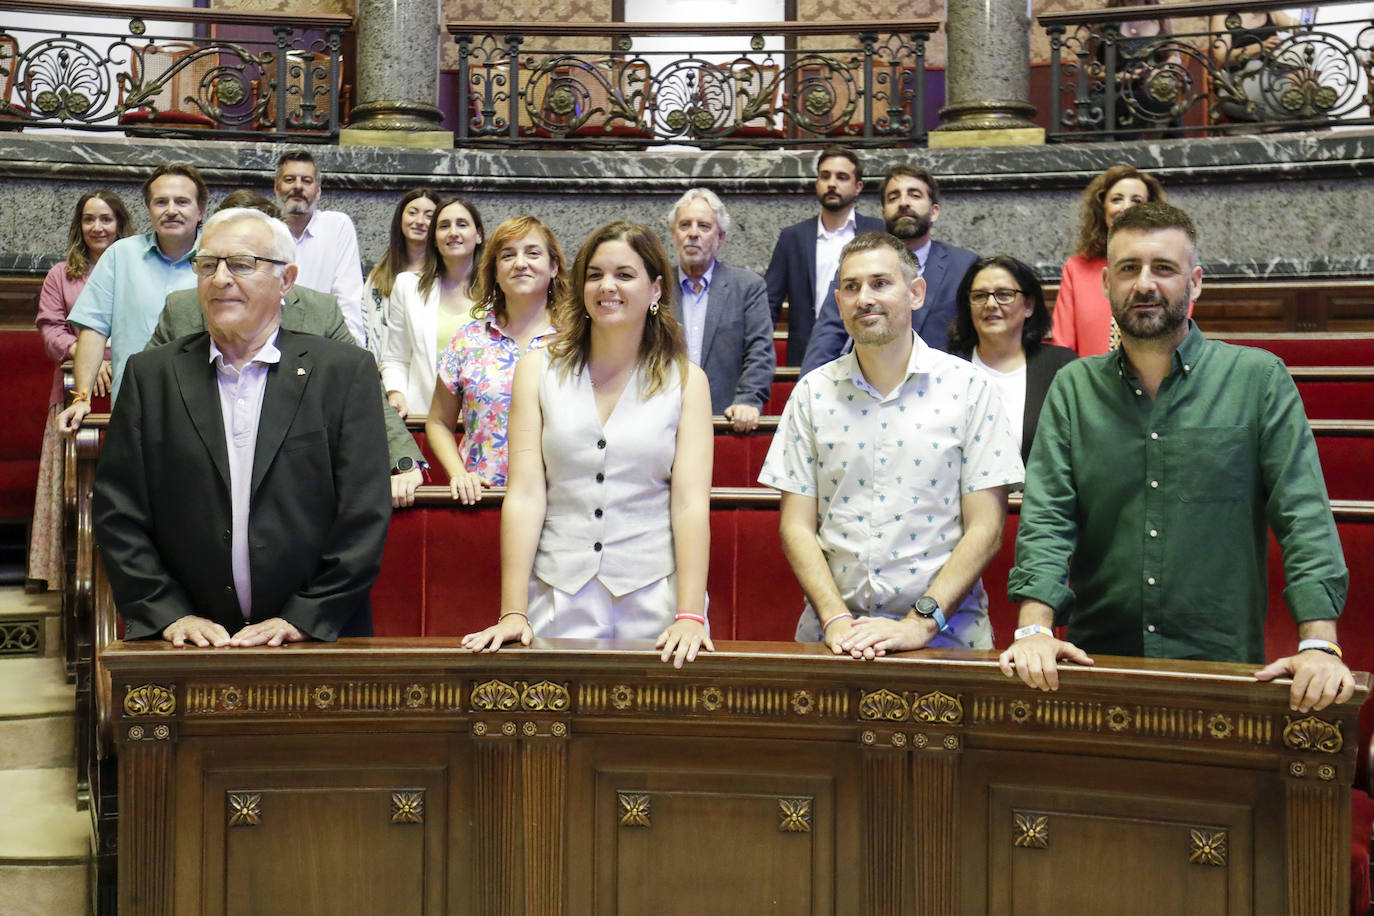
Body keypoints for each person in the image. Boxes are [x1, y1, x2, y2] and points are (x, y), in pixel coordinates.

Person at [1000, 202, 1353, 714]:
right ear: (1106, 286)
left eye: (1163, 268)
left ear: (1197, 282)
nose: (1145, 284)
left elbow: (1303, 515)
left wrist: (1319, 643)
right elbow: (1047, 517)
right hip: (1095, 662)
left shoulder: (1257, 379)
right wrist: (1034, 628)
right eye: (1128, 269)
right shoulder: (1073, 388)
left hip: (1220, 661)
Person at [92, 207, 392, 647]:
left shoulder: (344, 374)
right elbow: (119, 510)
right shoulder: (150, 375)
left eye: (241, 264)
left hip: (315, 640)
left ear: (286, 280)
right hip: (189, 642)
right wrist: (168, 613)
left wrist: (308, 616)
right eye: (208, 264)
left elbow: (364, 514)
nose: (220, 279)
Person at [461, 221, 714, 668]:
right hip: (558, 591)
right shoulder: (536, 371)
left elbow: (690, 504)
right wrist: (513, 610)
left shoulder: (686, 381)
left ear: (656, 289)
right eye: (595, 275)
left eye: (624, 274)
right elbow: (524, 495)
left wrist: (690, 614)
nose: (606, 286)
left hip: (655, 595)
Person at [760, 232, 1023, 658]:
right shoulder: (812, 393)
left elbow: (987, 529)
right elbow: (795, 526)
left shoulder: (970, 388)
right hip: (835, 640)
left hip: (945, 640)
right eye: (851, 287)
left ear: (916, 293)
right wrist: (835, 618)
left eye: (880, 283)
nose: (864, 298)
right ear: (839, 301)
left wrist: (920, 624)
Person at [146, 192, 426, 509]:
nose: (224, 277)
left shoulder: (319, 311)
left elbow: (363, 392)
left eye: (244, 261)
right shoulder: (182, 308)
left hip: (294, 478)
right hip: (199, 480)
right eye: (214, 261)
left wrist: (402, 459)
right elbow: (147, 397)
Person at [28, 190, 132, 589]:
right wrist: (85, 353)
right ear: (79, 226)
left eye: (106, 219)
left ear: (120, 223)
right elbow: (49, 326)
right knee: (72, 484)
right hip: (75, 390)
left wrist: (112, 358)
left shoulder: (133, 268)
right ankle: (68, 574)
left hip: (126, 384)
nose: (97, 227)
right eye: (89, 219)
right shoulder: (61, 274)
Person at [58, 163, 206, 431]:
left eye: (182, 201)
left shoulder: (219, 258)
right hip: (134, 409)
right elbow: (93, 330)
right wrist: (82, 397)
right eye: (161, 202)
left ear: (201, 211)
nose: (171, 210)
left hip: (205, 412)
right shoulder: (119, 256)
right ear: (149, 209)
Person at [424, 215, 560, 502]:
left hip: (559, 501)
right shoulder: (468, 339)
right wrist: (458, 474)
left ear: (554, 267)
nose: (520, 263)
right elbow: (437, 422)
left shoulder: (576, 340)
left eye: (533, 253)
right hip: (484, 500)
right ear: (495, 272)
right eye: (508, 255)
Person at [801, 165, 978, 373]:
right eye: (893, 197)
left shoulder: (965, 266)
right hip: (869, 387)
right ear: (884, 213)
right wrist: (811, 391)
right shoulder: (856, 265)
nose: (904, 203)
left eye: (914, 195)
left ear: (934, 212)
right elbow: (828, 334)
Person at [947, 256, 1077, 465]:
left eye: (1004, 295)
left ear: (1029, 306)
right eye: (980, 296)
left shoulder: (1061, 366)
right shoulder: (947, 369)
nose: (990, 304)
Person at [765, 145, 884, 366]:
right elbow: (769, 304)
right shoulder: (793, 238)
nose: (832, 183)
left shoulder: (878, 232)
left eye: (841, 177)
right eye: (825, 176)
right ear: (817, 183)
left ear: (858, 187)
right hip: (808, 357)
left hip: (870, 352)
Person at [668, 188, 774, 432]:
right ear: (674, 234)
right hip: (663, 423)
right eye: (685, 225)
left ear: (721, 237)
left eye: (704, 226)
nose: (693, 234)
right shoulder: (655, 287)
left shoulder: (748, 287)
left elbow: (760, 353)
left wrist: (748, 400)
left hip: (724, 421)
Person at [381, 197, 484, 419]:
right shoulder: (407, 287)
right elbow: (396, 358)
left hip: (486, 423)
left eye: (462, 224)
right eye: (444, 226)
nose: (453, 232)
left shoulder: (498, 291)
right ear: (434, 239)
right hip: (424, 418)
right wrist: (396, 393)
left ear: (479, 235)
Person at [1051, 164, 1166, 357]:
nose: (1125, 207)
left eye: (1136, 201)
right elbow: (1063, 346)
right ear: (1102, 208)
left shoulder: (1167, 269)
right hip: (1088, 382)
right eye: (1116, 199)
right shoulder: (1077, 268)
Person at [273, 149, 367, 348]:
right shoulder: (265, 231)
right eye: (290, 179)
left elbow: (348, 296)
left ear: (318, 190)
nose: (298, 187)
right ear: (276, 187)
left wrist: (353, 351)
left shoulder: (337, 226)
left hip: (324, 342)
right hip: (272, 340)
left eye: (306, 181)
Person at [364, 188, 441, 363]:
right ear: (401, 219)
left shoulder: (445, 276)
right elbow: (365, 324)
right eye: (412, 213)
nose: (419, 221)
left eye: (429, 216)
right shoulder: (379, 275)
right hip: (379, 373)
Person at [1209, 9, 1304, 123]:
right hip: (1238, 81)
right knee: (1287, 90)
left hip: (1270, 74)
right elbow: (1222, 57)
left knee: (1304, 80)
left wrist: (1307, 19)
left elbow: (1295, 26)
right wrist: (1258, 47)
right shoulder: (1223, 15)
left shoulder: (1269, 10)